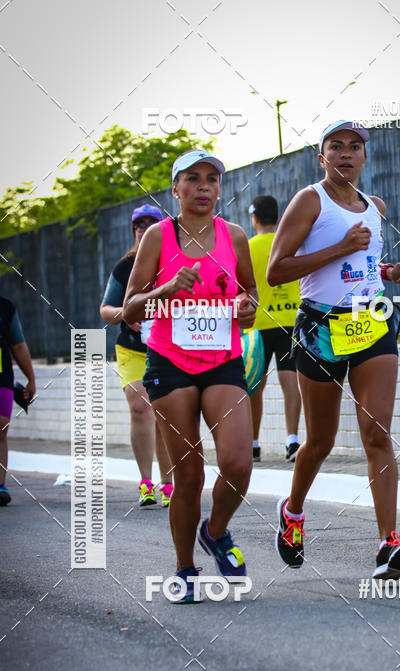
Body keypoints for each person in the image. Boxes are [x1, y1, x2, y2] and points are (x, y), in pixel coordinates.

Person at [267, 121, 400, 580]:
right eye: (337, 146)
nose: (347, 153)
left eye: (355, 147)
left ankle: (388, 544)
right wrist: (339, 247)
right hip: (320, 326)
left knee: (377, 434)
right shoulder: (309, 200)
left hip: (371, 321)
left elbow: (364, 264)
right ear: (322, 157)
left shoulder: (375, 206)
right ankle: (292, 515)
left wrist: (392, 274)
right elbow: (277, 270)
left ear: (365, 158)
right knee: (321, 441)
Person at [123, 149, 257, 603]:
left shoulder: (234, 235)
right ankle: (184, 570)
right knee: (190, 475)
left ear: (220, 189)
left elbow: (250, 296)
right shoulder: (158, 238)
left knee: (239, 463)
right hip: (169, 362)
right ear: (176, 189)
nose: (204, 186)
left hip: (222, 360)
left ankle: (215, 531)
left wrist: (246, 307)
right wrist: (164, 289)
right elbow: (129, 308)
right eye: (193, 179)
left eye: (212, 179)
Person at [100, 204, 173, 507]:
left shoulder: (172, 261)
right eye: (138, 225)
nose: (143, 228)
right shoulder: (124, 267)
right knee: (140, 407)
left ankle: (168, 483)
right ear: (134, 231)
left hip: (166, 347)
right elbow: (106, 309)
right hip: (131, 348)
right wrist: (125, 314)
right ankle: (146, 482)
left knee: (164, 415)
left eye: (150, 223)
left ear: (161, 228)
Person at [247, 196, 302, 462]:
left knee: (255, 383)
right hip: (290, 319)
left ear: (254, 218)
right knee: (290, 380)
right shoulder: (291, 244)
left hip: (258, 323)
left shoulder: (247, 247)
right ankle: (292, 440)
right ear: (278, 217)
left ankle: (253, 444)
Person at [0, 295, 36, 506]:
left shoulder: (6, 307)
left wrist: (30, 379)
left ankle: (0, 485)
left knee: (2, 425)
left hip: (2, 372)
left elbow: (19, 346)